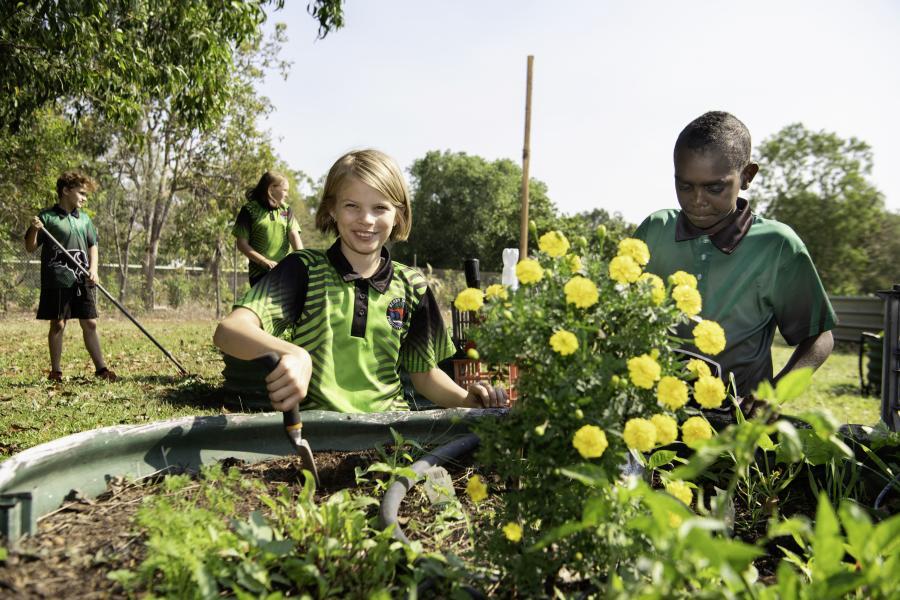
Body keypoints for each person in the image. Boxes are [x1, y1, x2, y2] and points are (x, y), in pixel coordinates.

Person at [214, 149, 507, 413]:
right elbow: (229, 331)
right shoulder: (303, 270)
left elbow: (425, 375)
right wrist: (292, 353)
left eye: (380, 208)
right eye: (352, 205)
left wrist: (468, 400)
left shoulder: (413, 286)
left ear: (399, 215)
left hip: (393, 437)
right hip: (317, 434)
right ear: (332, 209)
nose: (366, 219)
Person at [634, 111, 835, 410]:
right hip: (652, 416)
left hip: (732, 424)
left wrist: (775, 394)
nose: (697, 200)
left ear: (747, 176)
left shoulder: (776, 245)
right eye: (685, 186)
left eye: (714, 188)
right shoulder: (655, 230)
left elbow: (819, 338)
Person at [24, 170, 117, 382]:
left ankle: (101, 369)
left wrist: (93, 270)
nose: (84, 198)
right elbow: (30, 247)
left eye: (86, 195)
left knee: (90, 323)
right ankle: (55, 371)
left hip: (83, 278)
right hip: (58, 279)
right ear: (66, 191)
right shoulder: (47, 217)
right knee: (58, 323)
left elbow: (93, 246)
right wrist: (34, 228)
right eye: (81, 193)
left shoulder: (84, 219)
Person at [232, 171, 303, 287]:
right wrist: (264, 261)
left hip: (285, 273)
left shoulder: (286, 210)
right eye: (284, 190)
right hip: (260, 276)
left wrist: (303, 259)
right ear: (271, 189)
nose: (287, 195)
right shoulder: (249, 210)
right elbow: (241, 244)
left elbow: (294, 235)